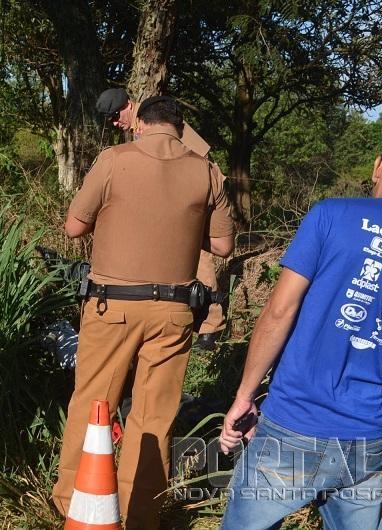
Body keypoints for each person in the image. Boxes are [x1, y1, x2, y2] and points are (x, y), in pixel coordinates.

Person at [218, 130, 382, 530]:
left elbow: (279, 311)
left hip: (295, 422)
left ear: (379, 167)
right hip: (367, 435)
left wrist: (244, 396)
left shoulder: (332, 214)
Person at [54, 95, 235, 528]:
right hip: (174, 312)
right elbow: (224, 245)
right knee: (154, 414)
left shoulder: (113, 160)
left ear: (141, 121)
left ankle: (74, 503)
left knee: (93, 403)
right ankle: (140, 513)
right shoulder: (206, 170)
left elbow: (74, 227)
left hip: (111, 307)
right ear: (179, 127)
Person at [97, 87, 228, 349]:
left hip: (192, 199)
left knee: (200, 257)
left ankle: (211, 326)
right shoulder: (137, 130)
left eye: (116, 115)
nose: (114, 123)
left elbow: (200, 161)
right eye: (109, 119)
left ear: (128, 105)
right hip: (166, 203)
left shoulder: (161, 118)